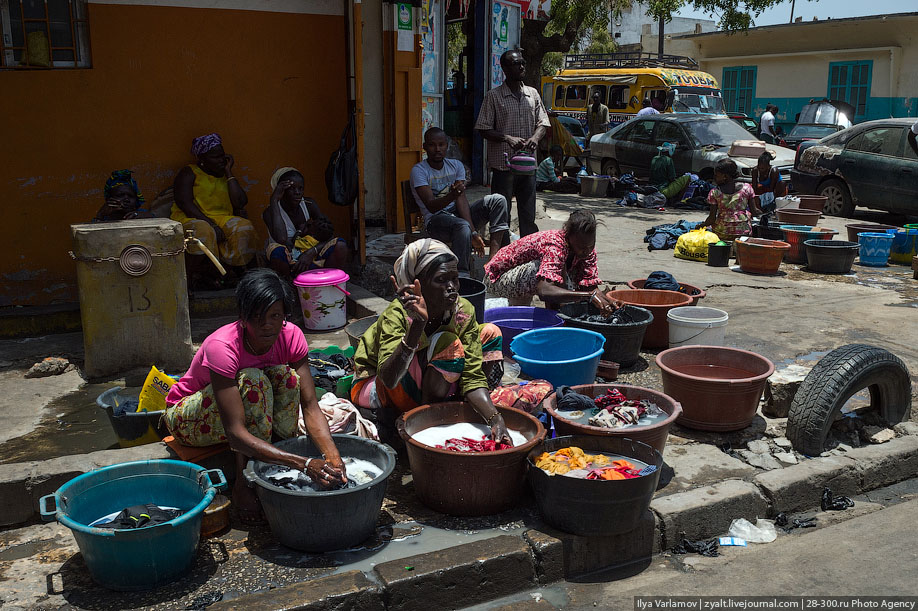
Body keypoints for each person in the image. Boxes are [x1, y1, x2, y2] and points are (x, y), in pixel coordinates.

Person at [164, 269, 346, 521]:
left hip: (245, 407)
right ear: (243, 317)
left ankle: (276, 460)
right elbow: (235, 433)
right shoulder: (223, 346)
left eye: (275, 316)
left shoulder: (291, 336)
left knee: (286, 377)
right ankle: (244, 480)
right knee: (253, 381)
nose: (267, 324)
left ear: (284, 316)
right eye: (258, 317)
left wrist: (333, 459)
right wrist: (304, 463)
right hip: (186, 418)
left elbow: (310, 404)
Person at [350, 239, 509, 443]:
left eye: (454, 278)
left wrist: (495, 418)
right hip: (377, 385)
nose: (452, 287)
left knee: (490, 332)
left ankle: (456, 404)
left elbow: (473, 375)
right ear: (418, 284)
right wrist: (418, 324)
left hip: (426, 374)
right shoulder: (398, 314)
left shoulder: (462, 311)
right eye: (441, 280)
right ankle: (426, 420)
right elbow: (389, 378)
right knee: (449, 342)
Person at [410, 128, 509, 276]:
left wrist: (474, 232)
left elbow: (461, 200)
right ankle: (462, 274)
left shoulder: (455, 166)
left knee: (498, 200)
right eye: (432, 145)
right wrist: (453, 195)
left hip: (457, 216)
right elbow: (431, 206)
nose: (437, 149)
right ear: (425, 147)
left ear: (447, 146)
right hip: (435, 221)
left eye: (441, 145)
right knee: (462, 225)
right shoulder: (419, 171)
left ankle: (493, 263)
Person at [475, 49, 550, 238]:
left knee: (528, 214)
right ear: (505, 69)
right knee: (501, 213)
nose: (522, 67)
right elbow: (483, 128)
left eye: (523, 63)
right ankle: (502, 254)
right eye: (517, 64)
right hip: (503, 165)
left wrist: (535, 138)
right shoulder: (494, 96)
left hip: (527, 165)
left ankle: (527, 250)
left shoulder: (532, 94)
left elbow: (543, 123)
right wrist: (507, 138)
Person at [171, 133, 258, 288]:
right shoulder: (189, 172)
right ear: (202, 159)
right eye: (215, 157)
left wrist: (229, 173)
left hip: (222, 218)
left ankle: (229, 272)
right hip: (192, 218)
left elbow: (240, 203)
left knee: (244, 227)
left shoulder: (224, 174)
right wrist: (211, 224)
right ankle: (189, 280)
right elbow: (184, 203)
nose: (221, 160)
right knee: (204, 231)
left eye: (222, 156)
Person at [484, 210, 616, 311]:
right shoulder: (555, 244)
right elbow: (544, 290)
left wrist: (609, 301)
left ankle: (557, 312)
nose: (586, 251)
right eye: (581, 247)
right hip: (497, 279)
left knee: (576, 274)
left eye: (590, 245)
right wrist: (588, 296)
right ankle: (556, 313)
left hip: (518, 282)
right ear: (569, 237)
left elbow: (591, 287)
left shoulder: (587, 250)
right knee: (540, 270)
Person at [264, 167, 349, 277]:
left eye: (300, 188)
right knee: (277, 250)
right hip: (288, 264)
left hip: (310, 260)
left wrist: (311, 252)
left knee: (340, 244)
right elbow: (282, 239)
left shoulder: (309, 205)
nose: (298, 193)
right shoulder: (270, 212)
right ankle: (289, 288)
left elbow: (329, 233)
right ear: (281, 191)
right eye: (292, 189)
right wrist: (274, 200)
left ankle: (328, 282)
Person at [704, 158, 758, 242]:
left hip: (722, 233)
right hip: (743, 233)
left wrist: (701, 225)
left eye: (717, 175)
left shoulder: (715, 192)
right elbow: (754, 212)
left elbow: (711, 219)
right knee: (747, 214)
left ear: (725, 176)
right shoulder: (747, 188)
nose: (714, 178)